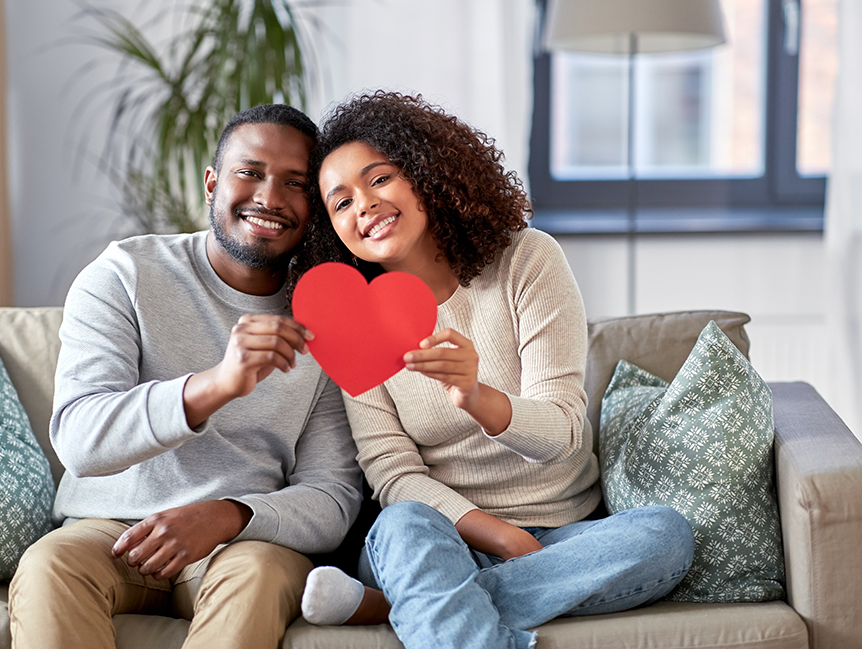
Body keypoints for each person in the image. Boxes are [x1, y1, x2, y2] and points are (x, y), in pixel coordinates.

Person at [291, 91, 695, 649]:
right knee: (402, 526)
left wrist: (476, 395)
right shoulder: (349, 320)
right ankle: (430, 590)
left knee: (664, 535)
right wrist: (499, 536)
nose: (363, 205)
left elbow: (564, 435)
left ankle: (408, 604)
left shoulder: (526, 260)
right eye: (341, 203)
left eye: (379, 179)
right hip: (441, 535)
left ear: (425, 171)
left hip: (564, 537)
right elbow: (392, 474)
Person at [8, 103, 363, 649]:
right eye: (250, 172)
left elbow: (332, 497)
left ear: (314, 207)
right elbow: (80, 440)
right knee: (49, 566)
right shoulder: (124, 275)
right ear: (212, 182)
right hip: (109, 532)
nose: (270, 197)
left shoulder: (327, 315)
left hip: (244, 541)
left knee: (260, 575)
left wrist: (227, 516)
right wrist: (217, 384)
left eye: (295, 183)